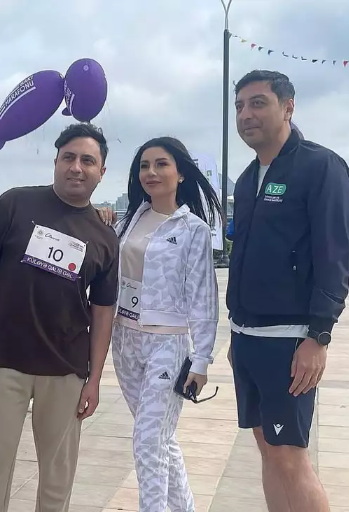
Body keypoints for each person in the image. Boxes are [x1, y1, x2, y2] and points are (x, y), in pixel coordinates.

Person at [0, 123, 119, 513]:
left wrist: (94, 379)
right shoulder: (16, 203)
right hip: (3, 361)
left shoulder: (104, 237)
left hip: (66, 370)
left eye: (88, 161)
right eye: (69, 157)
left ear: (102, 171)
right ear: (56, 161)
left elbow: (103, 311)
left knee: (57, 475)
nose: (77, 167)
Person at [227, 70, 349, 513]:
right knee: (268, 450)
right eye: (239, 106)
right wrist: (237, 335)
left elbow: (336, 257)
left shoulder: (320, 167)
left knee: (290, 458)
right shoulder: (247, 180)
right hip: (247, 337)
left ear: (288, 107)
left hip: (289, 340)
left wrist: (318, 336)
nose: (246, 114)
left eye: (258, 103)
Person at [112, 137, 220, 513]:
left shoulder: (193, 229)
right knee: (160, 439)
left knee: (147, 441)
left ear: (181, 173)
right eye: (144, 165)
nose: (151, 172)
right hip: (124, 340)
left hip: (167, 345)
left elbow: (203, 297)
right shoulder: (127, 222)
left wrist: (201, 360)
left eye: (161, 164)